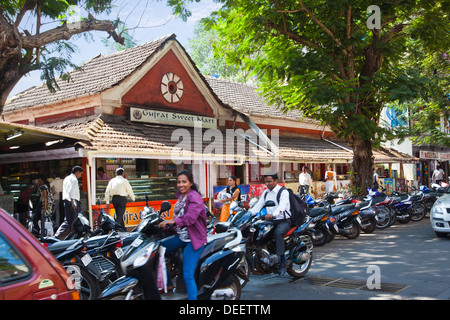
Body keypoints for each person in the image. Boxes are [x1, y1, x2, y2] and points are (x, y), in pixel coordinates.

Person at [159, 170, 207, 300]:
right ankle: (168, 284)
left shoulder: (194, 197)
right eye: (179, 182)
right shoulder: (181, 198)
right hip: (181, 237)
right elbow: (178, 219)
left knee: (187, 274)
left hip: (194, 238)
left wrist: (173, 221)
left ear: (190, 183)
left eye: (184, 182)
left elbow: (190, 218)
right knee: (158, 249)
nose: (181, 185)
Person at [248, 172, 291, 276]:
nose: (267, 184)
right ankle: (260, 261)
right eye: (266, 182)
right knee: (257, 233)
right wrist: (247, 214)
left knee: (277, 234)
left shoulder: (283, 192)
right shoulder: (266, 192)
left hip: (283, 220)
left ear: (276, 181)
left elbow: (282, 207)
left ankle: (282, 263)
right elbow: (258, 206)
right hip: (271, 220)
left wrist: (273, 214)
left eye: (269, 181)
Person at [54, 166, 84, 239]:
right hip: (73, 202)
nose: (80, 176)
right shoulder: (74, 180)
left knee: (68, 221)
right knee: (78, 219)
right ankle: (77, 237)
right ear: (77, 172)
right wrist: (74, 204)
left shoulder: (66, 178)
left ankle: (56, 236)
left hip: (66, 201)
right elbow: (71, 193)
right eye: (80, 174)